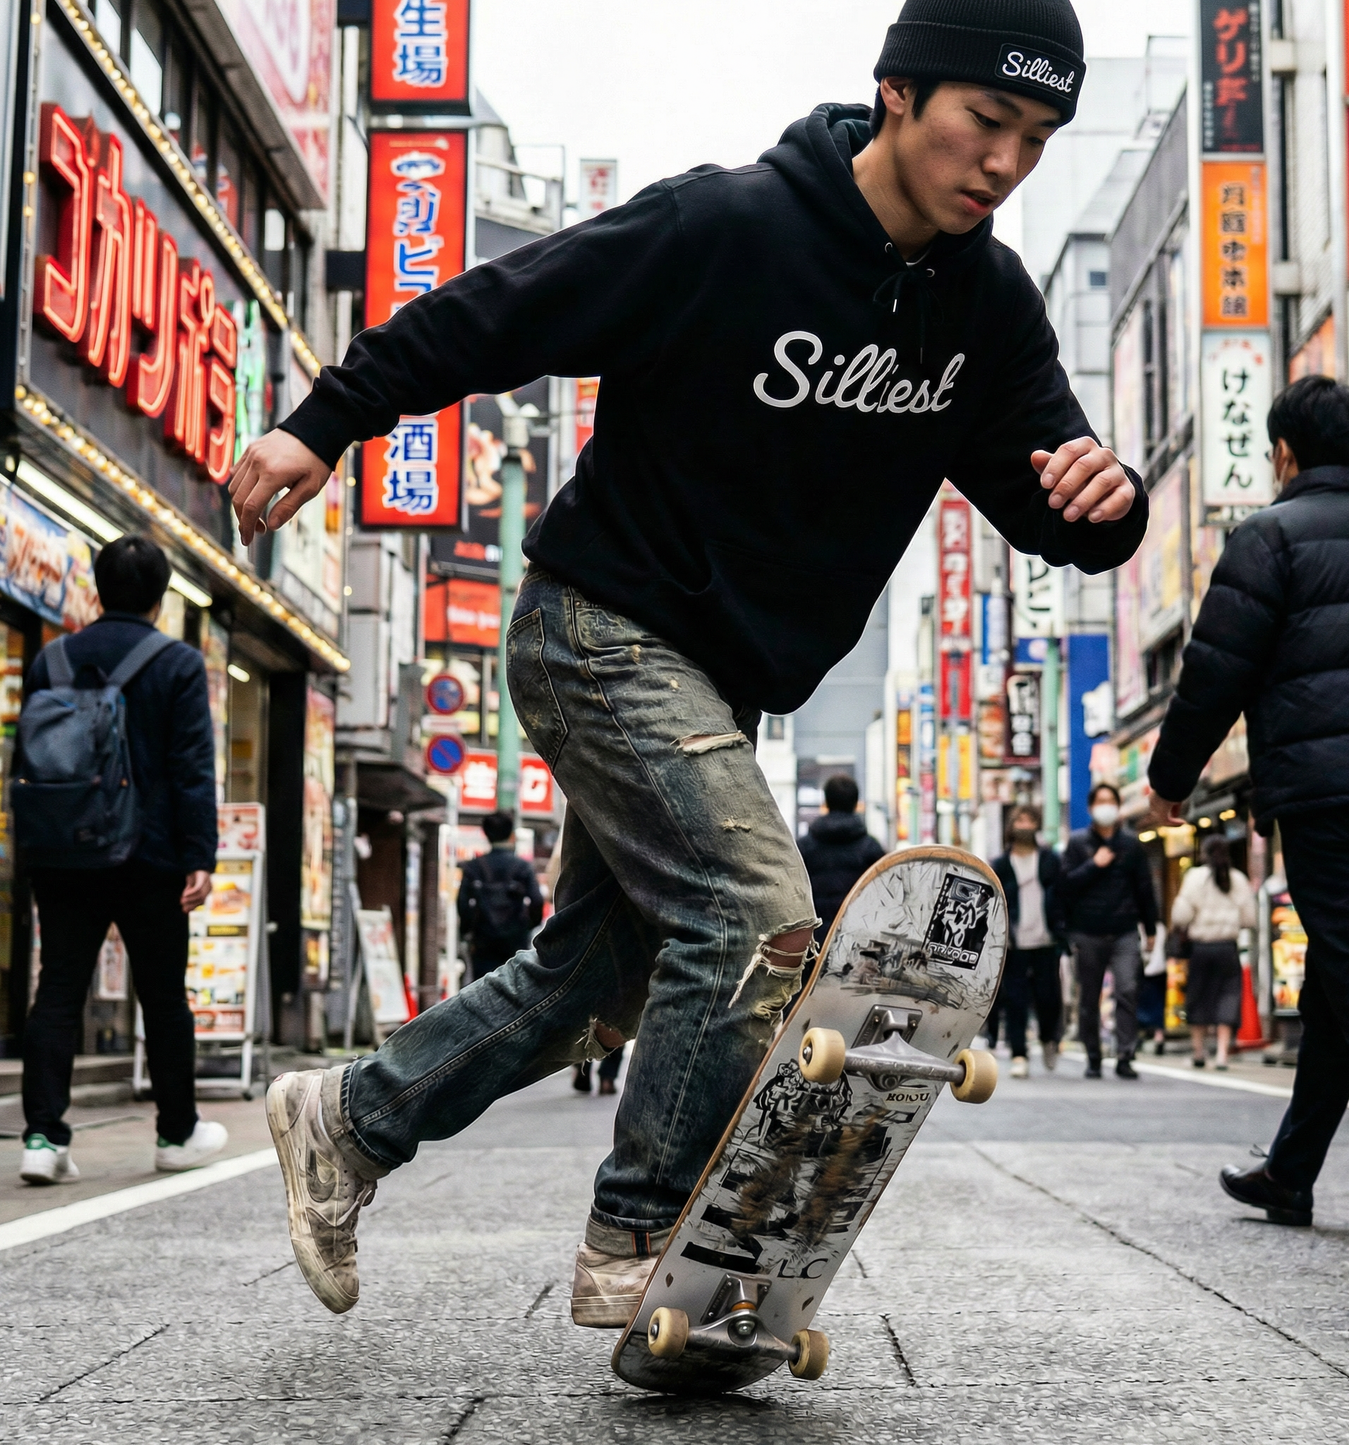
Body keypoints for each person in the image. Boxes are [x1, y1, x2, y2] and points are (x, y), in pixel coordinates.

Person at [236, 0, 1149, 1323]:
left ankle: (349, 1120)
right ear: (897, 93)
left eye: (1036, 139)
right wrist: (326, 422)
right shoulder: (724, 228)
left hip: (713, 687)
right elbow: (500, 309)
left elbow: (1045, 497)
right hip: (596, 623)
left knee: (600, 976)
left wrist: (1104, 502)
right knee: (756, 915)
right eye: (982, 122)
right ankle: (643, 1236)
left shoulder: (987, 306)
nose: (1003, 164)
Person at [1146, 375, 1349, 1247]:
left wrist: (1171, 779)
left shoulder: (1266, 537)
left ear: (1281, 451)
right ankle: (1290, 1171)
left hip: (1321, 794)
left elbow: (1213, 672)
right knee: (1335, 977)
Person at [17, 536, 225, 1185]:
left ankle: (43, 1138)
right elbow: (191, 767)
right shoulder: (178, 663)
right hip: (151, 853)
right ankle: (175, 1130)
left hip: (63, 850)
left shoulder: (51, 658)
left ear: (97, 589)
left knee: (57, 988)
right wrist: (200, 853)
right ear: (161, 598)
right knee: (163, 994)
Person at [1060, 782, 1160, 1079]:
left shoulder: (1131, 844)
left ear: (1117, 807)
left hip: (1125, 931)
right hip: (1087, 932)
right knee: (1089, 997)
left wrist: (1151, 928)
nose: (1106, 806)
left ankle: (1126, 1055)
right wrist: (1094, 864)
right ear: (1091, 809)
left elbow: (1145, 888)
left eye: (1110, 801)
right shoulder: (1078, 843)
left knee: (1128, 990)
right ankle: (1093, 1056)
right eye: (1100, 801)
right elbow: (1065, 886)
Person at [990, 804, 1066, 1077]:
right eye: (1019, 819)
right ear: (1011, 826)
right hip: (1014, 943)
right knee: (1016, 1000)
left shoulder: (1050, 860)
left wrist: (1063, 929)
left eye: (1030, 819)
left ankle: (1048, 1039)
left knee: (1048, 998)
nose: (1024, 824)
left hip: (1046, 939)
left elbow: (1062, 895)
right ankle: (1019, 1053)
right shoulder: (1000, 864)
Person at [1170, 835, 1254, 1071]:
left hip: (1202, 948)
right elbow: (1250, 918)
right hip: (1228, 947)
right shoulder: (1238, 879)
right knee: (1228, 996)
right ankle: (1222, 1055)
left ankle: (1198, 1051)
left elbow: (1180, 916)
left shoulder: (1195, 877)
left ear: (1204, 853)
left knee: (1199, 997)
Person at [456, 812, 544, 984]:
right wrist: (528, 925)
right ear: (511, 835)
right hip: (515, 939)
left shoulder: (474, 867)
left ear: (486, 834)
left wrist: (467, 931)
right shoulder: (522, 867)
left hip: (483, 940)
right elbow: (537, 900)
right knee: (515, 987)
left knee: (481, 990)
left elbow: (462, 903)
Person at [797, 774, 885, 937]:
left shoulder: (804, 848)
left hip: (814, 940)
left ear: (827, 802)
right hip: (857, 938)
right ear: (855, 803)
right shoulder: (871, 849)